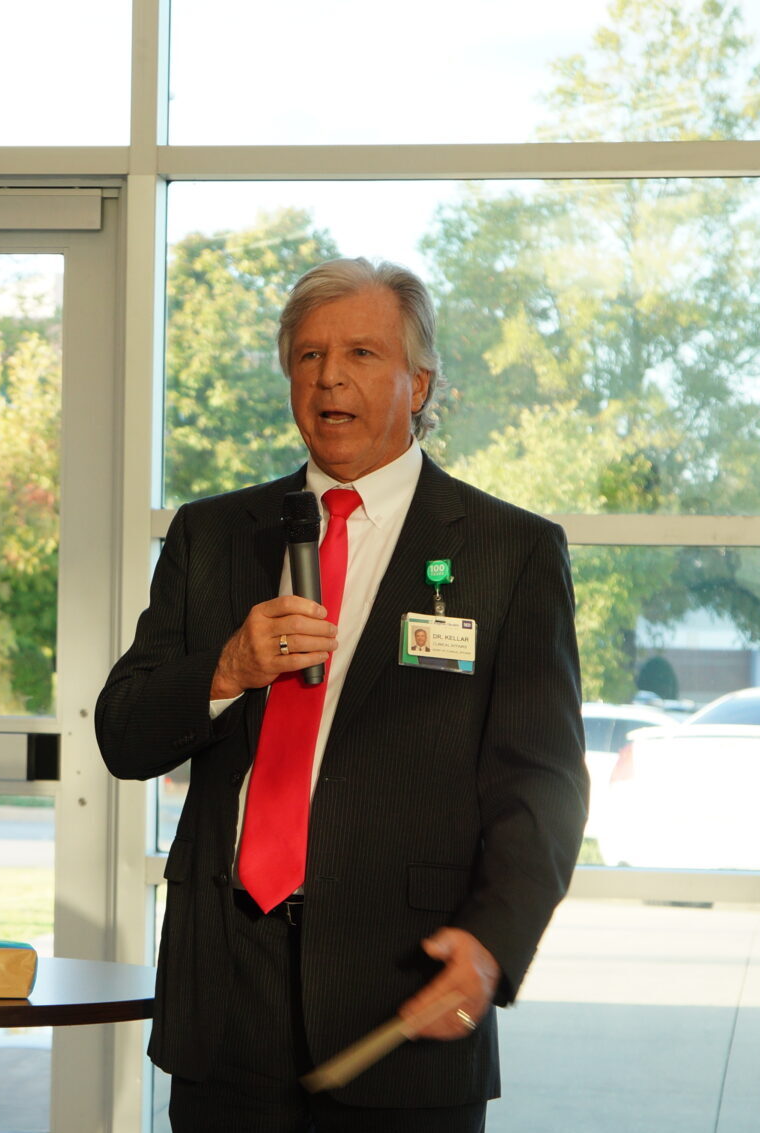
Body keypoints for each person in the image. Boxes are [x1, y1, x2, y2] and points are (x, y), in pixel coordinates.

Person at [97, 258, 585, 1131]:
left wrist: (492, 944)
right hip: (225, 1004)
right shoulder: (212, 535)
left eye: (361, 352)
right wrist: (226, 669)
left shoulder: (509, 553)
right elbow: (124, 736)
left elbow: (540, 785)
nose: (329, 377)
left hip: (401, 1000)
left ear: (418, 381)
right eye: (308, 355)